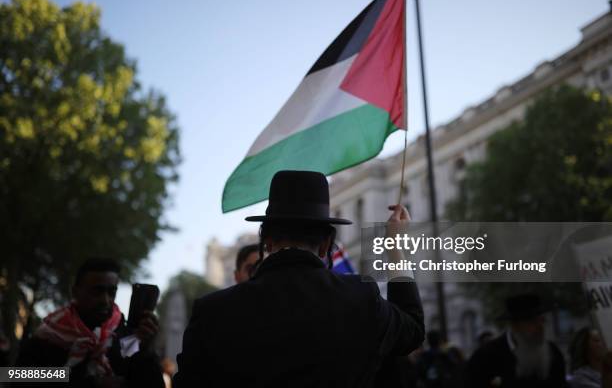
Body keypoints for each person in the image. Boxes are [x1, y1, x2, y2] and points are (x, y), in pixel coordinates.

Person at [174, 170, 425, 387]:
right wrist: (396, 246)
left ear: (266, 241)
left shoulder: (212, 312)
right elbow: (412, 330)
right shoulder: (362, 297)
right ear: (327, 244)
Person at [16, 257, 165, 388]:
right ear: (75, 292)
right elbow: (18, 376)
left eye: (111, 292)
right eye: (96, 291)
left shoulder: (126, 339)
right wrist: (88, 382)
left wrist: (147, 351)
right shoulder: (47, 336)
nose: (105, 300)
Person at [464, 293, 567, 388]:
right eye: (532, 321)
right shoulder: (485, 358)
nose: (540, 326)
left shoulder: (553, 353)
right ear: (515, 326)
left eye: (542, 320)